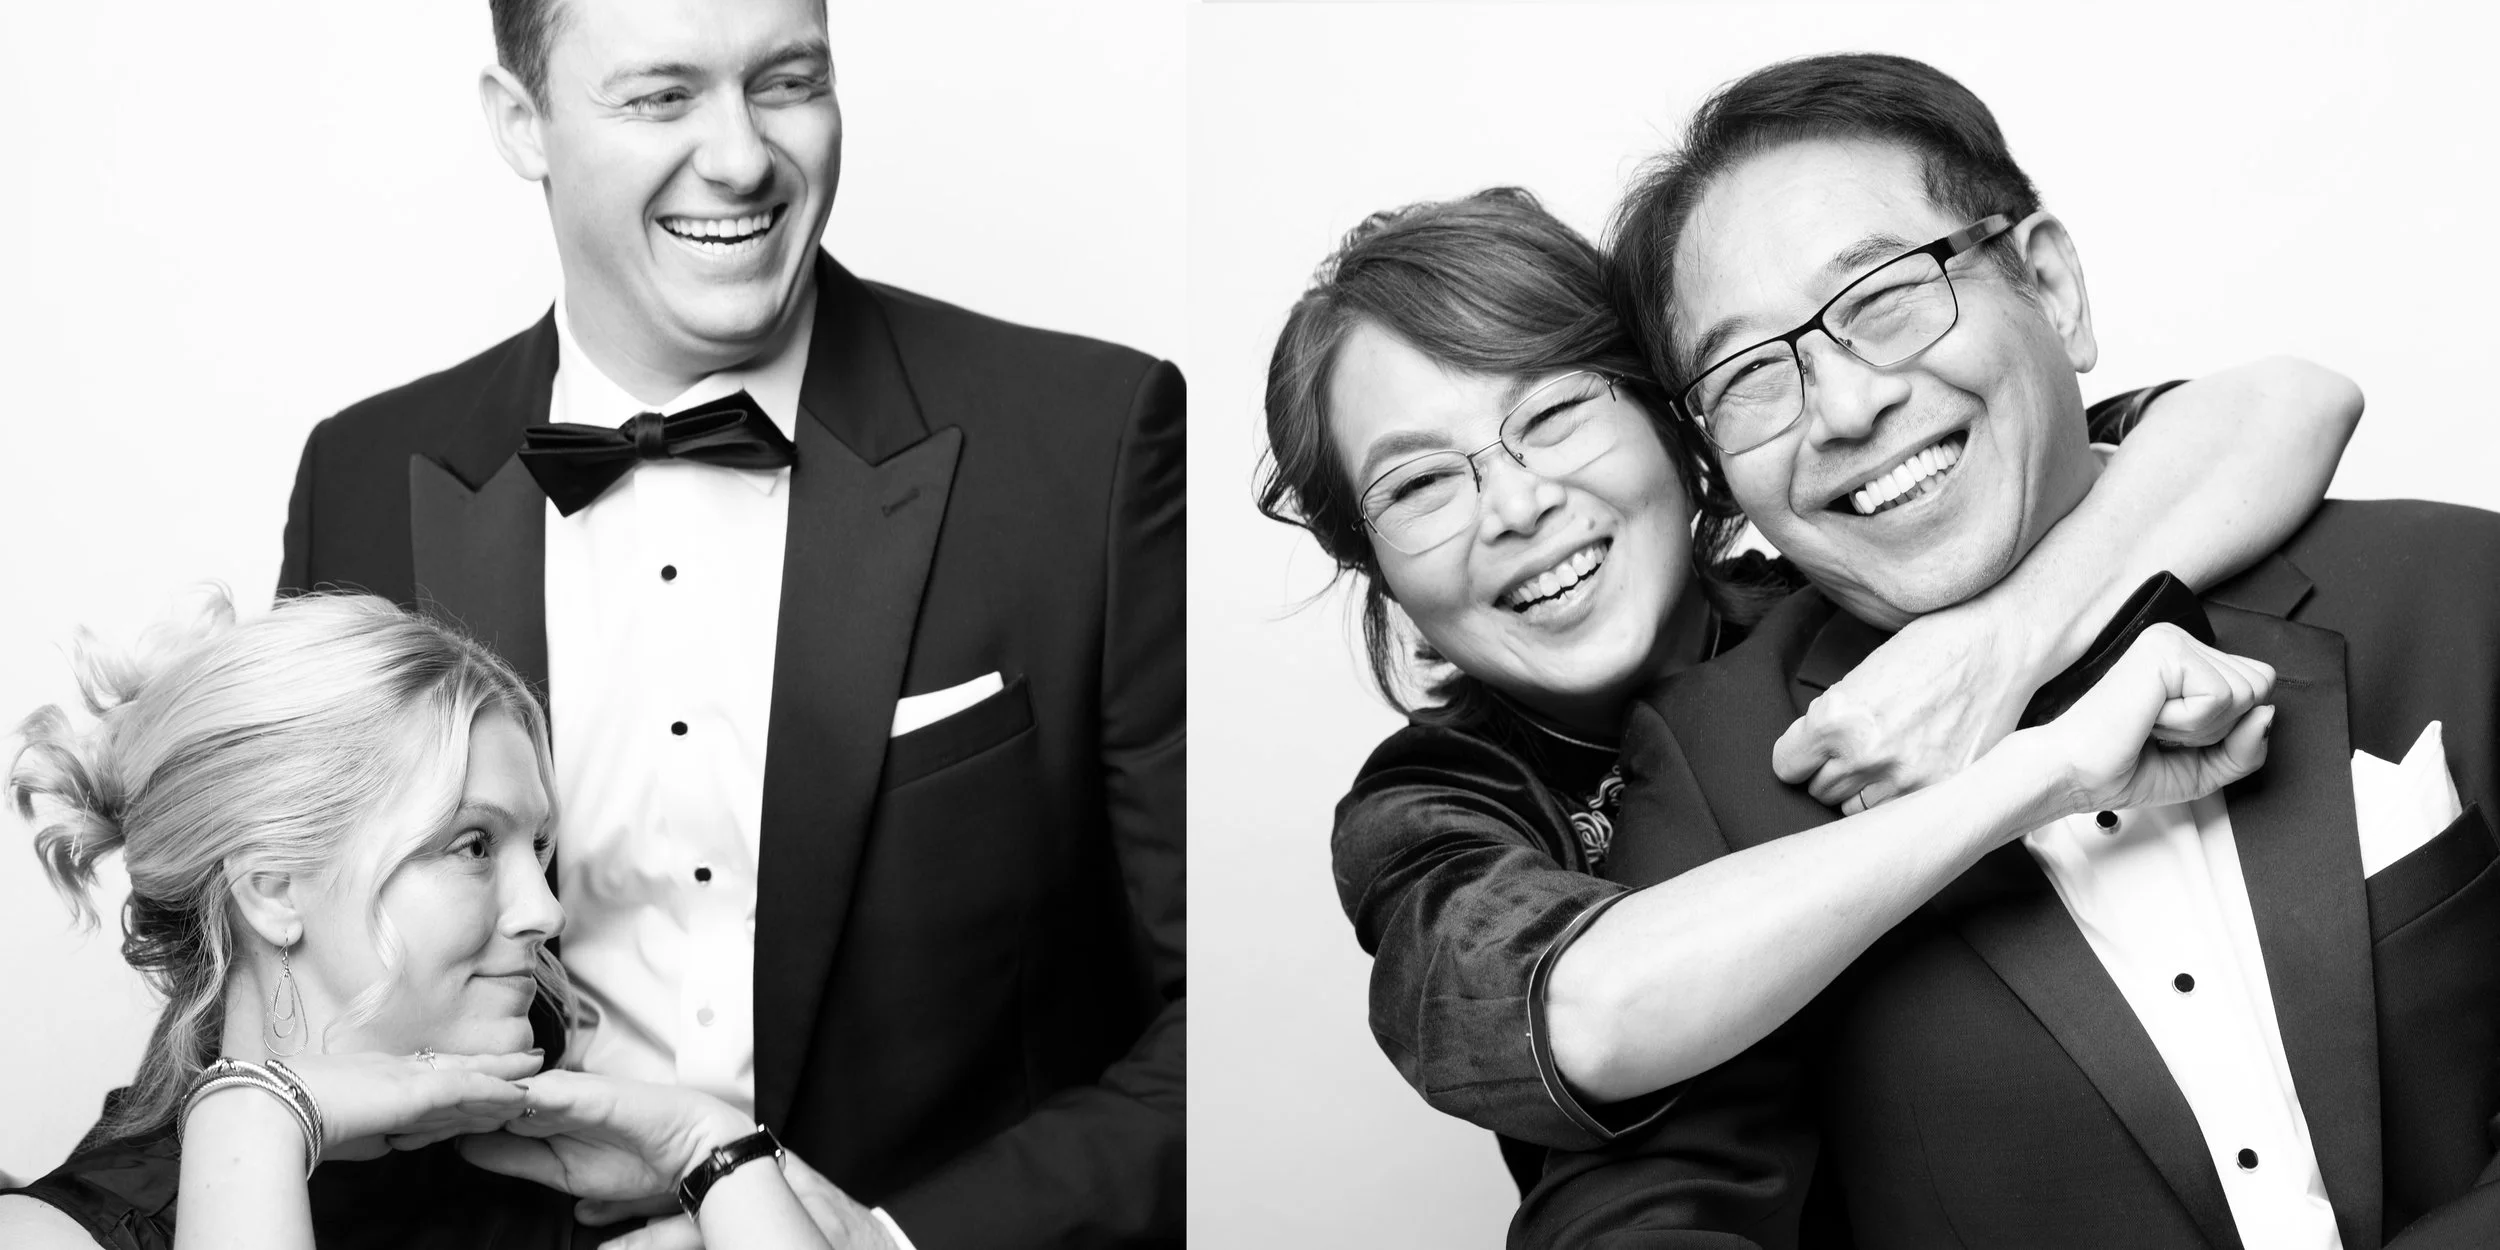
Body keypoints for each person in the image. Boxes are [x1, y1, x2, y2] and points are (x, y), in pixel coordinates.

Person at [1521, 53, 2500, 1249]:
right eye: (1748, 375)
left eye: (1881, 295)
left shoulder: (2453, 585)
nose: (1841, 408)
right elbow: (1638, 1205)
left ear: (2050, 285)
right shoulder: (1717, 769)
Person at [266, 0, 1184, 1246]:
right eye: (660, 96)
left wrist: (885, 1241)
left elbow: (1212, 1023)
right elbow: (283, 996)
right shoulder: (362, 478)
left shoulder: (1090, 439)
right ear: (520, 122)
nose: (745, 156)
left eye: (788, 80)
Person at [1261, 187, 2361, 1202]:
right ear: (1371, 562)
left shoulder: (1858, 560)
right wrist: (2032, 774)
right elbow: (1580, 1013)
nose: (1514, 506)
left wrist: (1996, 643)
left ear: (1677, 424)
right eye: (1416, 484)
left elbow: (2283, 405)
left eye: (1551, 414)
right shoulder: (1431, 803)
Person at [0, 591, 835, 1249]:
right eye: (472, 845)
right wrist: (249, 1116)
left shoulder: (564, 1190)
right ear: (274, 890)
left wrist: (712, 1149)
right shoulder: (53, 1236)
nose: (544, 910)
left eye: (537, 848)